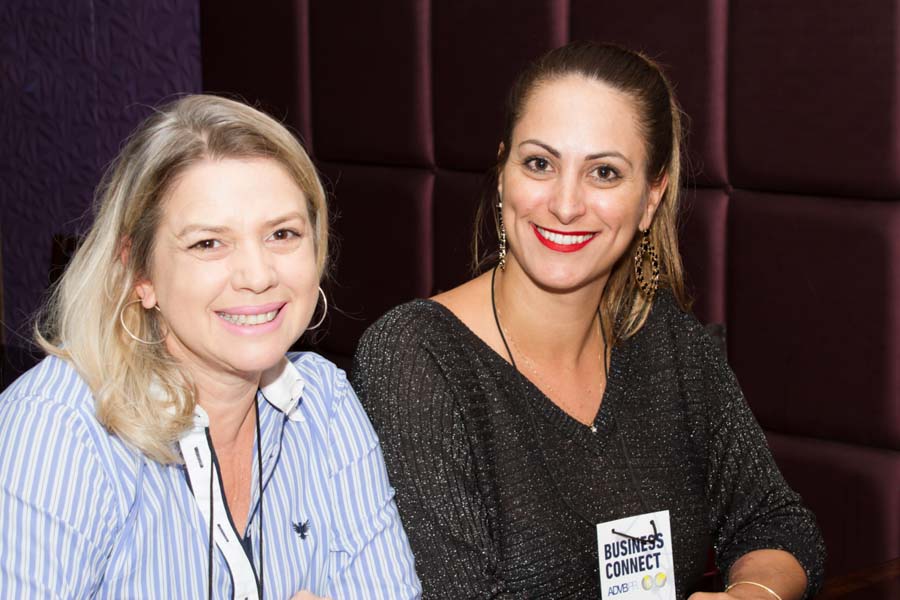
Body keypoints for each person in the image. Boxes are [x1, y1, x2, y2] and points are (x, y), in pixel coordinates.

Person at [352, 42, 825, 599]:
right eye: (540, 164)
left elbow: (776, 522)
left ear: (652, 197)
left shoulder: (665, 337)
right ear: (502, 174)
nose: (566, 204)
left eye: (604, 172)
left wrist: (753, 595)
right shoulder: (415, 357)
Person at [0, 95, 421, 599]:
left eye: (282, 233)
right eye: (208, 243)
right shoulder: (62, 427)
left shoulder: (324, 403)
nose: (257, 276)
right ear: (140, 273)